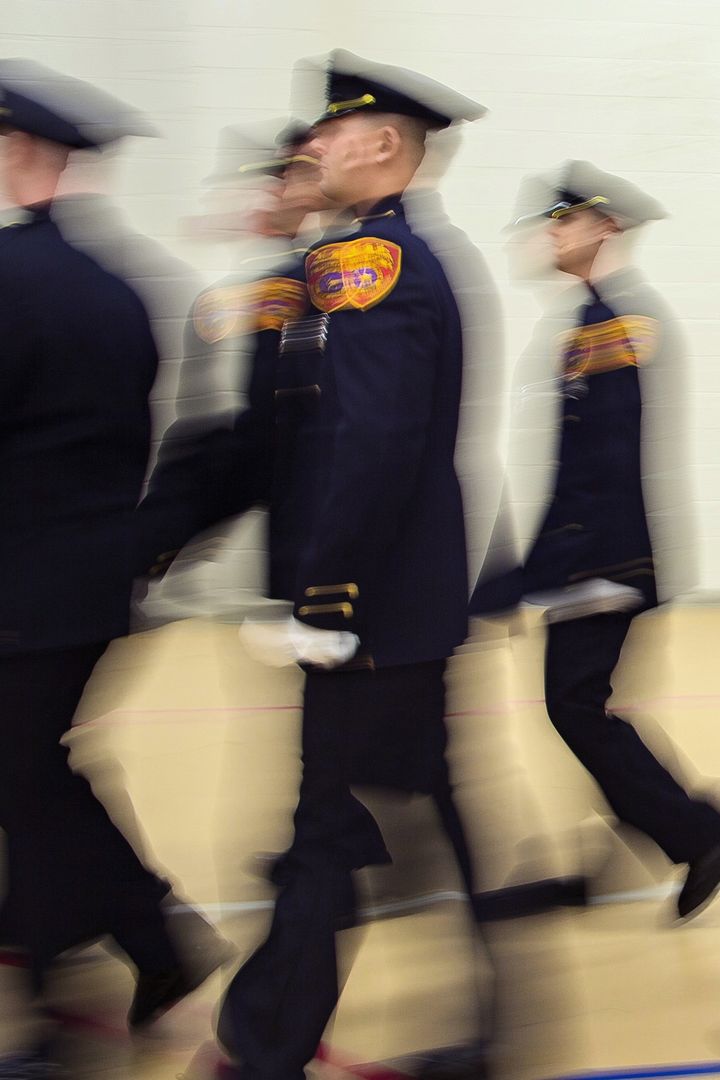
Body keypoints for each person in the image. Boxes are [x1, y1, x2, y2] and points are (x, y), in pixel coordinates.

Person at [139, 51, 493, 1078]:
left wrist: (327, 598)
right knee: (387, 822)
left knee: (332, 832)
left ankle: (264, 1044)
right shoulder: (374, 257)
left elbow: (373, 441)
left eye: (331, 133)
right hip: (401, 605)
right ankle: (491, 1020)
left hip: (373, 610)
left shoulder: (373, 263)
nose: (314, 147)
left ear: (383, 145)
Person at [0, 59, 225, 1071]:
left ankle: (63, 1006)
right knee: (34, 771)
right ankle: (150, 938)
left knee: (29, 781)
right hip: (94, 581)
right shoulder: (130, 292)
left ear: (25, 156)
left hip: (21, 584)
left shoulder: (11, 279)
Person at [473, 162, 720, 920]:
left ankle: (701, 831)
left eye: (565, 221)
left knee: (576, 708)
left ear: (604, 227)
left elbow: (603, 464)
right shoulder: (593, 321)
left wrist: (537, 574)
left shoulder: (617, 328)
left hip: (603, 560)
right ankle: (632, 848)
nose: (550, 235)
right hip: (591, 557)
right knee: (580, 707)